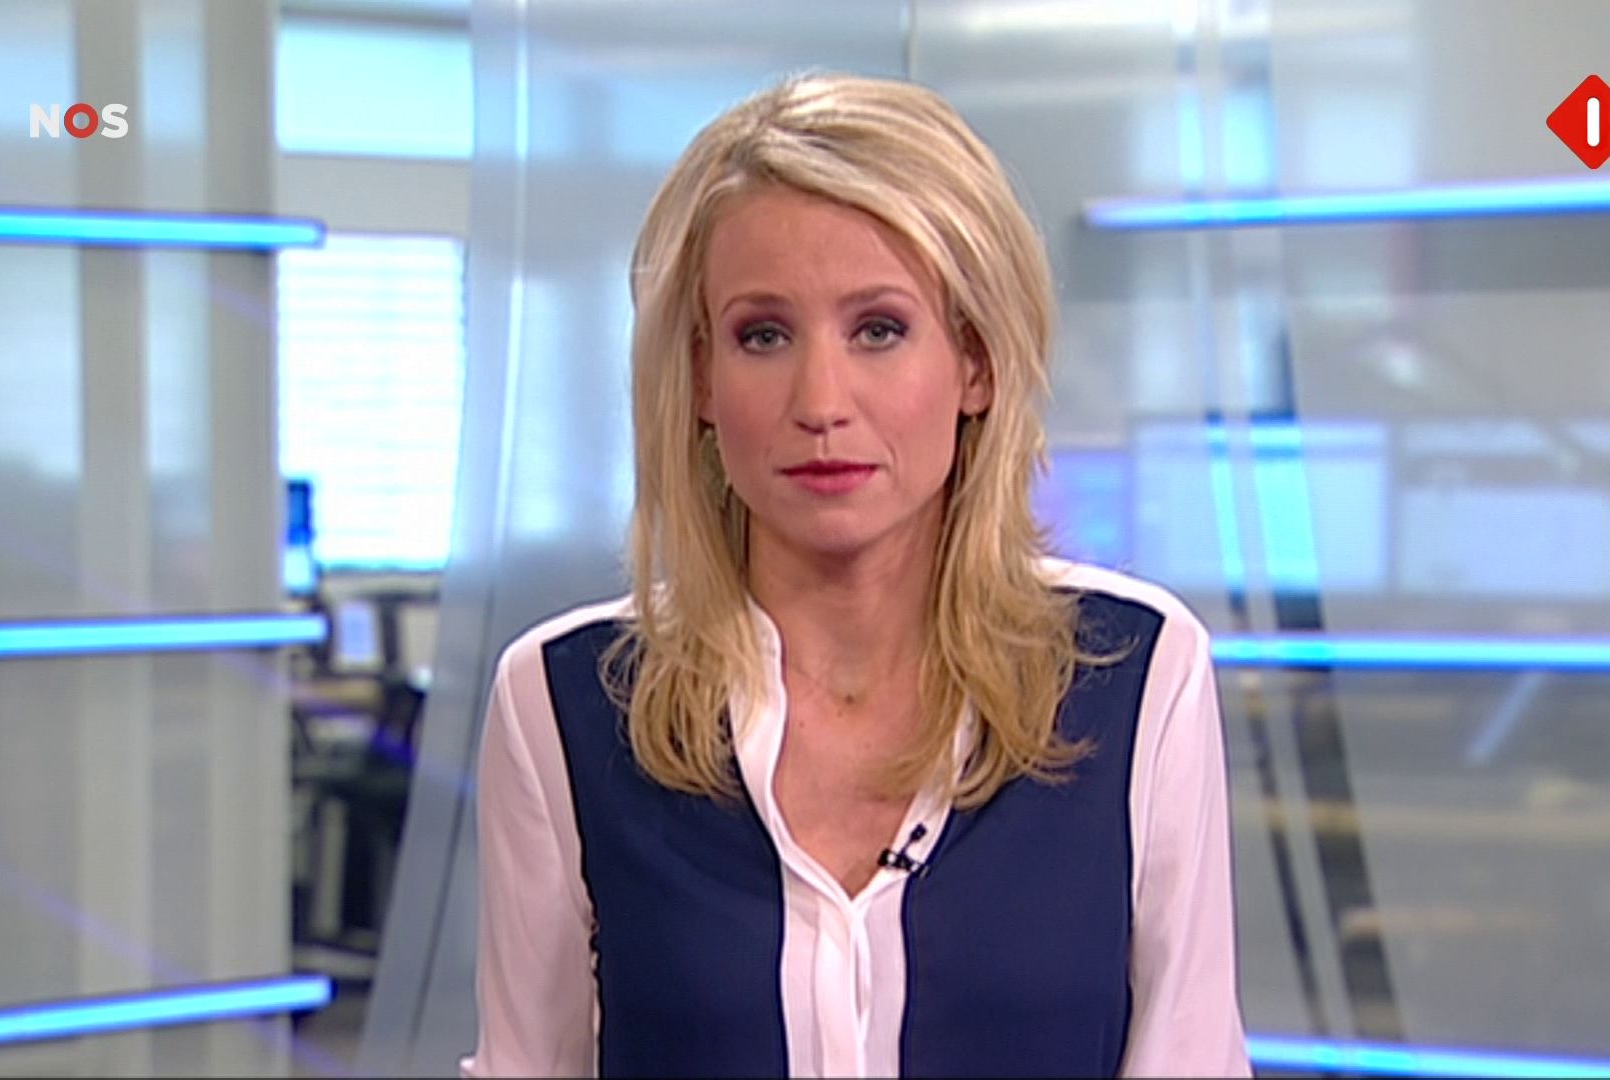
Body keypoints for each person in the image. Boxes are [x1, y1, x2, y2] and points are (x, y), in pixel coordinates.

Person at [462, 71, 1250, 1079]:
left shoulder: (1135, 677)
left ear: (976, 363)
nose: (821, 400)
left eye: (879, 329)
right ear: (700, 378)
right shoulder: (564, 704)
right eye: (763, 335)